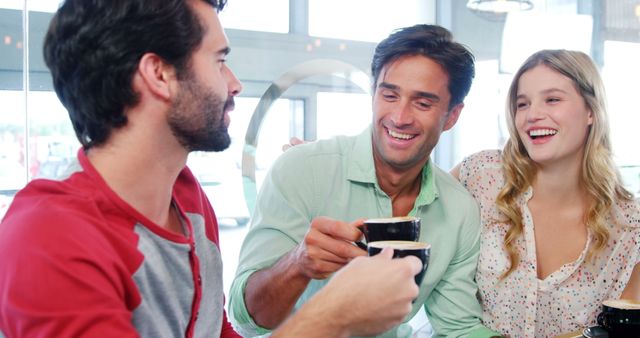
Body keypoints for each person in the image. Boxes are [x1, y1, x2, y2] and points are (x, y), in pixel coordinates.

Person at [0, 0, 423, 337]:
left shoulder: (187, 199)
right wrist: (333, 317)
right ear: (159, 74)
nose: (235, 83)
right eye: (219, 60)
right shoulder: (47, 236)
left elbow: (212, 329)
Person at [229, 24, 500, 338]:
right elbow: (246, 319)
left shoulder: (459, 209)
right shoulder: (301, 169)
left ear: (452, 115)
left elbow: (458, 327)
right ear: (374, 95)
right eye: (389, 95)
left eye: (423, 103)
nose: (400, 117)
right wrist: (298, 263)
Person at [451, 49, 640, 337]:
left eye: (552, 99)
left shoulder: (630, 226)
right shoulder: (481, 175)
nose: (532, 115)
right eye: (522, 104)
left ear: (591, 110)